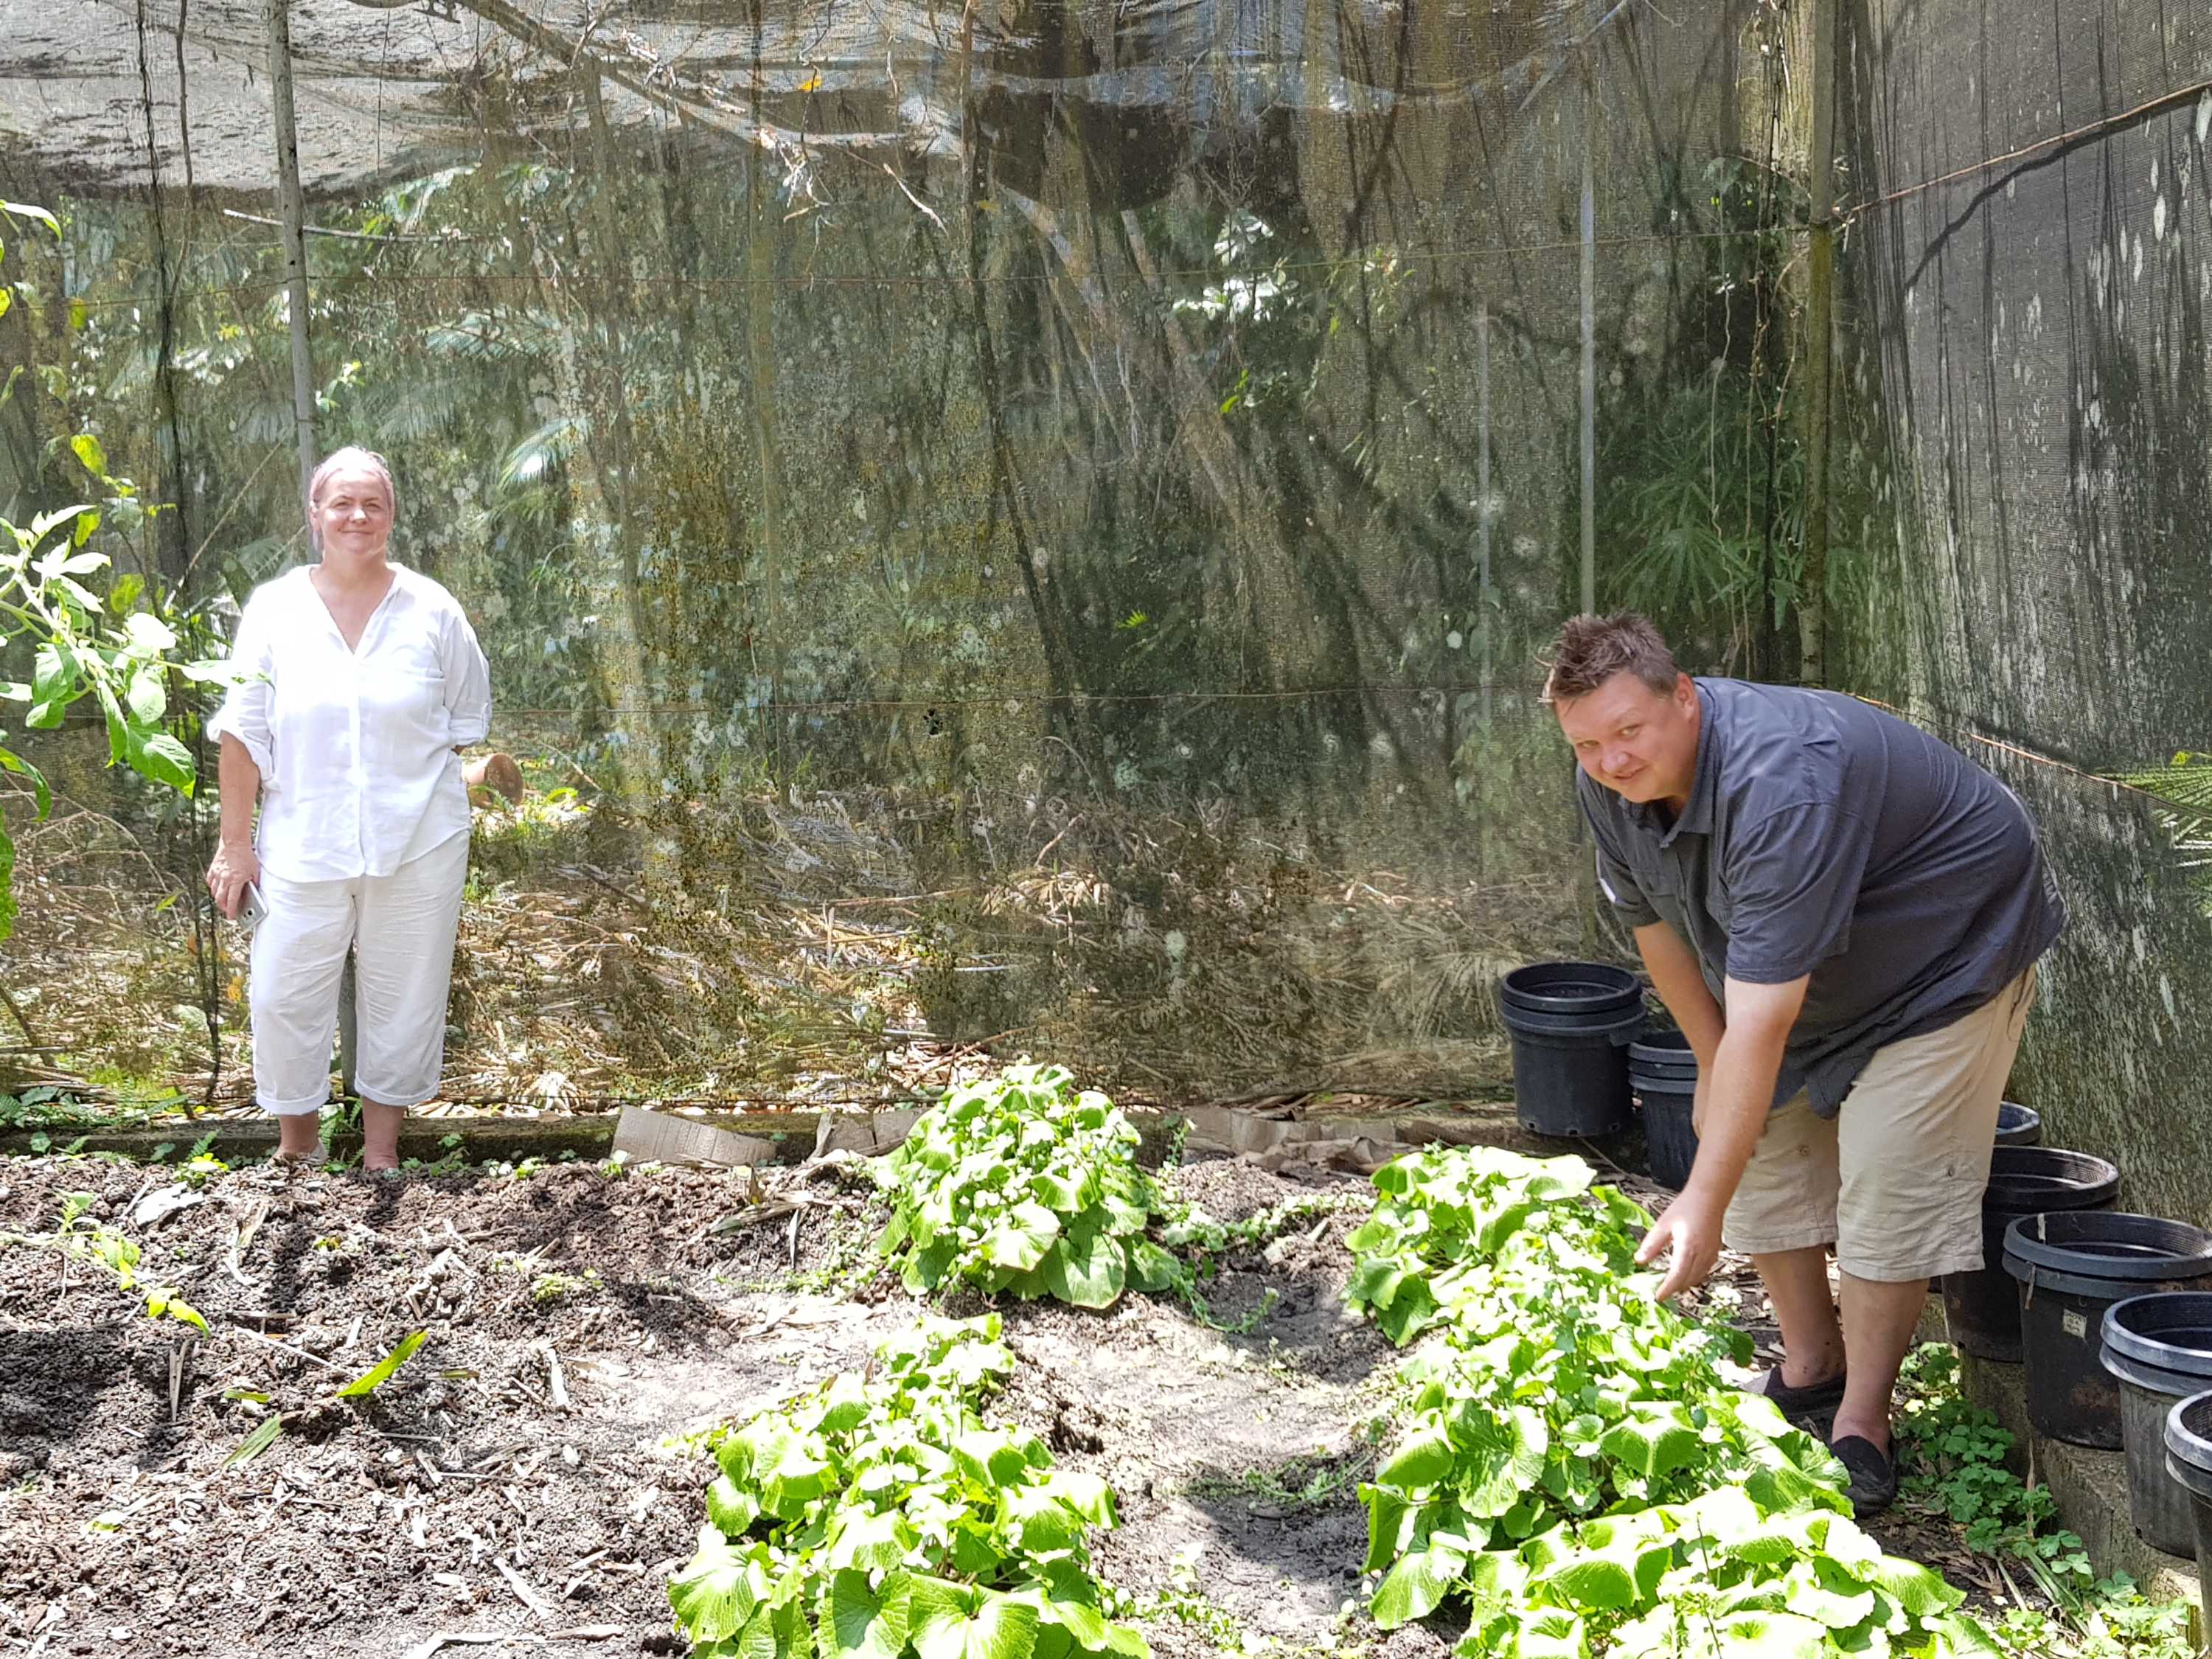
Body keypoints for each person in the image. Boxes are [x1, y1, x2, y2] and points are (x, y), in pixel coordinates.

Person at [1545, 613, 2064, 1513]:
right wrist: (1709, 1065)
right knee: (1752, 1122)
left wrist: (1702, 1201)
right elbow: (1655, 928)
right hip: (1814, 970)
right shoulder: (1609, 782)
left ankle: (1863, 1419)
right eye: (1587, 744)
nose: (1611, 760)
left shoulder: (1782, 784)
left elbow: (1764, 1021)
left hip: (1947, 955)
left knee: (1890, 1170)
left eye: (1628, 731)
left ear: (1685, 698)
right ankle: (1813, 1362)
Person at [204, 447, 493, 1172]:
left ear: (391, 517)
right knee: (281, 994)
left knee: (404, 992)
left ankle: (381, 1157)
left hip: (420, 841)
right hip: (302, 840)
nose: (357, 516)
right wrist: (234, 846)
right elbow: (242, 731)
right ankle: (297, 1154)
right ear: (315, 515)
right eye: (342, 503)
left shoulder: (433, 609)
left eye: (373, 504)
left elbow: (464, 721)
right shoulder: (275, 610)